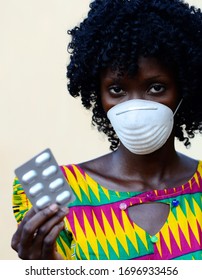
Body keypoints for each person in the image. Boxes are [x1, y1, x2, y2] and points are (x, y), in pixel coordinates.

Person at [11, 0, 202, 260]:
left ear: (185, 89)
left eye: (156, 87)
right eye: (117, 90)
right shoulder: (59, 194)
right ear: (98, 95)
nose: (135, 107)